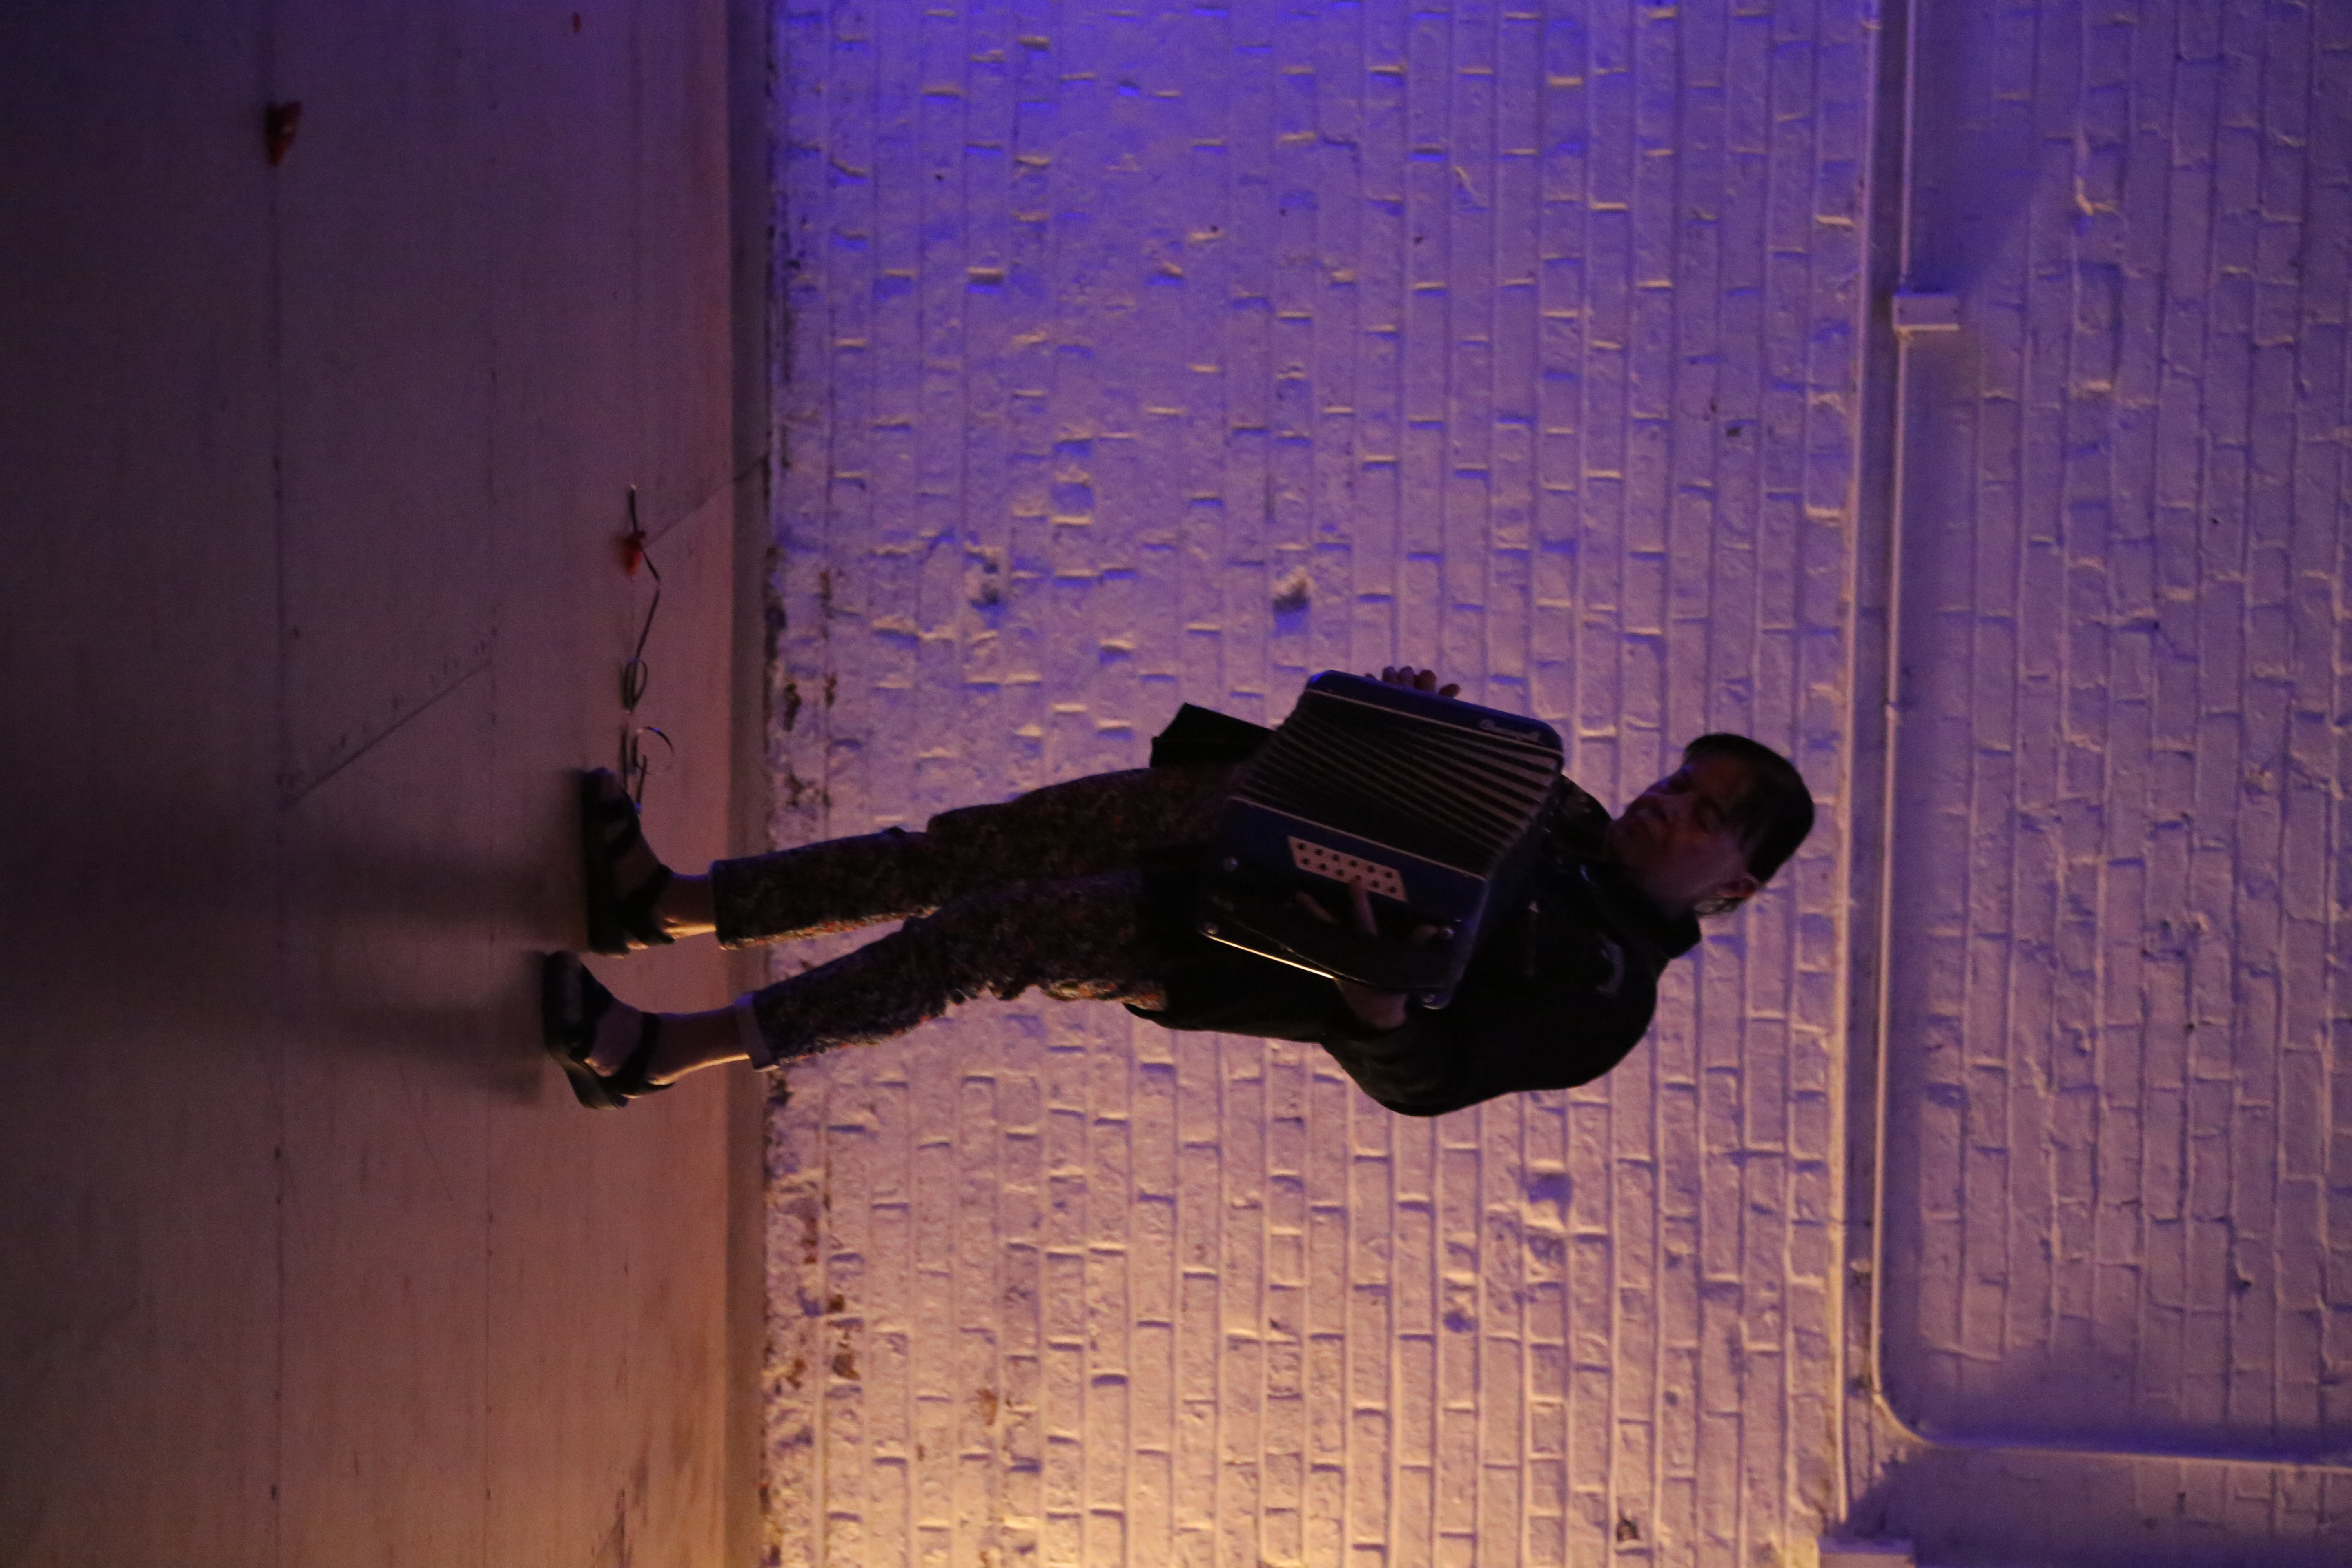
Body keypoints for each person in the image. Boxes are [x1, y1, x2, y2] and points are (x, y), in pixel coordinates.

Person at [541, 668, 1814, 1115]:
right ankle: (669, 905)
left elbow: (1428, 1079)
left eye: (1705, 817)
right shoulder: (1571, 812)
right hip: (1224, 813)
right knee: (957, 850)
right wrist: (1403, 718)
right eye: (1679, 781)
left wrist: (1374, 996)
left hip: (1217, 940)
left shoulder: (1606, 999)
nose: (1668, 805)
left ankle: (663, 1055)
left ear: (1737, 885)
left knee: (972, 940)